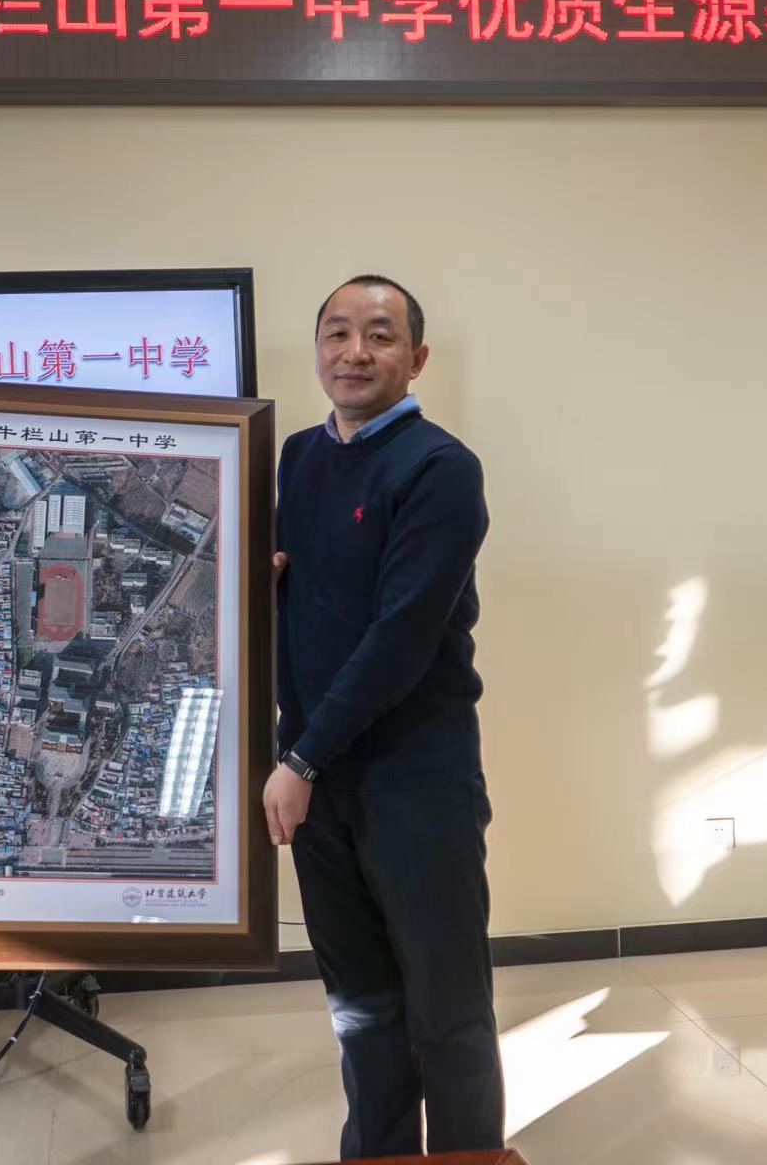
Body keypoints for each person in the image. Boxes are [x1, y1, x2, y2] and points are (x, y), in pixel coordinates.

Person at [265, 275, 503, 1159]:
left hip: (415, 781)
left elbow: (401, 638)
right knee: (361, 1011)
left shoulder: (440, 468)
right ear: (317, 349)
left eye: (379, 334)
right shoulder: (297, 456)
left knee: (448, 1013)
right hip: (320, 781)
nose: (355, 352)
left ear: (417, 357)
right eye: (337, 333)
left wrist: (302, 759)